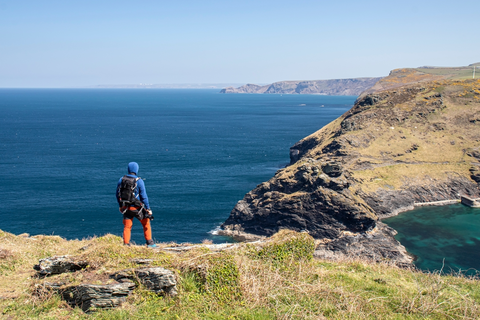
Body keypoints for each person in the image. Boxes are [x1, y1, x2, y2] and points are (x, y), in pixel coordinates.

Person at [116, 162, 157, 248]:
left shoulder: (121, 179)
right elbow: (144, 197)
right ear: (136, 170)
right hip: (137, 208)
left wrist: (120, 206)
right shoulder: (139, 181)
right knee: (146, 223)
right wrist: (148, 208)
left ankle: (126, 244)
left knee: (127, 226)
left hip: (126, 207)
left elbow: (117, 194)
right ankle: (150, 243)